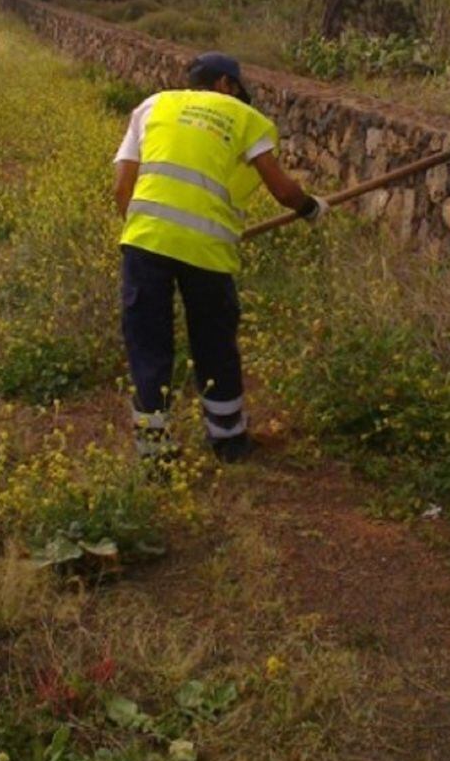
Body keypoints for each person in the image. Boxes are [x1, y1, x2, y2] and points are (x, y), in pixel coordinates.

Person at [113, 51, 328, 466]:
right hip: (207, 253)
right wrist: (311, 208)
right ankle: (228, 442)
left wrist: (146, 229)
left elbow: (124, 183)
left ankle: (154, 453)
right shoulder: (245, 118)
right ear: (227, 85)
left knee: (148, 345)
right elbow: (283, 191)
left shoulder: (153, 105)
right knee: (214, 344)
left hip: (144, 243)